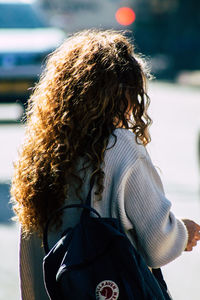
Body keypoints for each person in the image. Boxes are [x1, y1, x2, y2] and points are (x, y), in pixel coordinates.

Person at [11, 29, 200, 300]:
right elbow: (158, 245)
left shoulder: (41, 151)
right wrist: (182, 233)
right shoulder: (119, 145)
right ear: (121, 93)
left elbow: (30, 255)